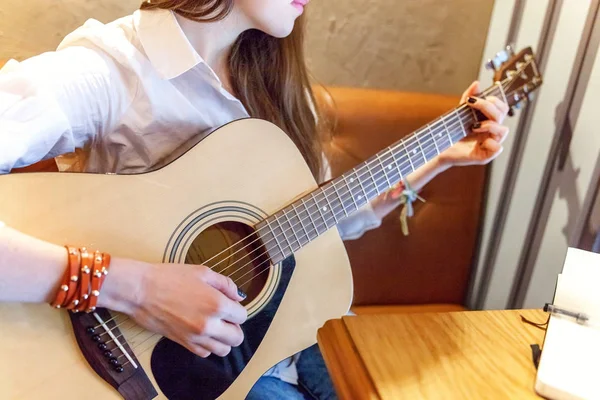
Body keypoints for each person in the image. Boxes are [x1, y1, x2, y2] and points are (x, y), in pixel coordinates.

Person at [0, 0, 510, 398]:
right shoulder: (113, 71)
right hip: (149, 372)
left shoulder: (280, 88)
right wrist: (136, 289)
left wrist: (442, 157)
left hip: (287, 349)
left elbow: (318, 224)